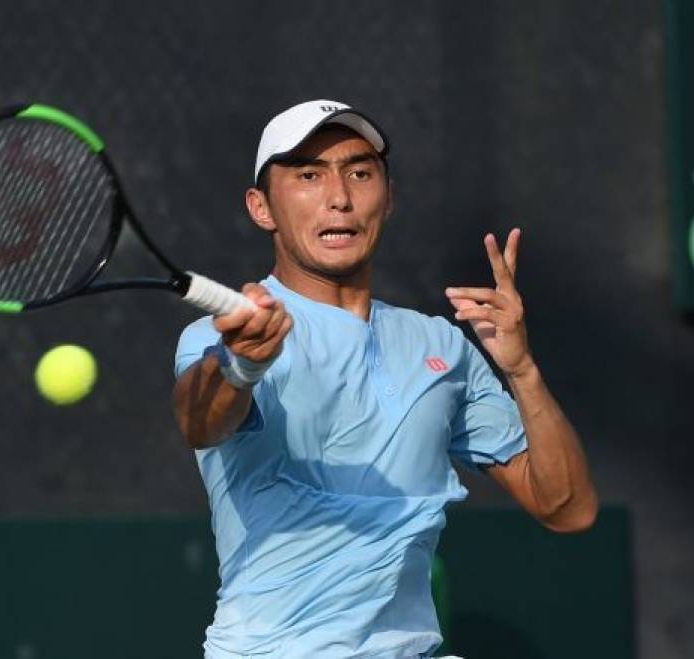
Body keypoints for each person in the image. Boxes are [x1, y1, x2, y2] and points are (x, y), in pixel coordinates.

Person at [172, 99, 597, 659]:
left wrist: (521, 369)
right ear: (261, 207)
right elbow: (200, 423)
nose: (339, 197)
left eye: (359, 173)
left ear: (388, 197)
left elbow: (567, 508)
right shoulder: (224, 338)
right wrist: (243, 363)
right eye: (308, 176)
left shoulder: (442, 346)